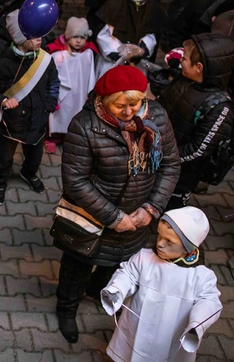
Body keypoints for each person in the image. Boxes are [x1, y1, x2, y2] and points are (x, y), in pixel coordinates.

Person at [55, 65, 181, 343]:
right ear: (103, 100)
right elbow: (75, 182)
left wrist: (151, 208)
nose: (128, 112)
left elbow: (170, 165)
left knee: (115, 264)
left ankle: (96, 290)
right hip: (92, 218)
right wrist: (114, 217)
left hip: (138, 217)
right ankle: (66, 308)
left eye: (134, 104)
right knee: (76, 266)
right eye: (119, 105)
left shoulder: (156, 117)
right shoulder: (84, 125)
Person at [100, 207, 222, 361]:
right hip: (138, 326)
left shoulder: (201, 276)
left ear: (188, 248)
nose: (160, 244)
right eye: (159, 236)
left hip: (172, 334)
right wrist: (117, 288)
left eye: (169, 241)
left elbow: (210, 301)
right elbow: (128, 274)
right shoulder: (144, 258)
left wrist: (198, 321)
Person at [0, 11, 60, 204]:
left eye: (40, 33)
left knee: (35, 155)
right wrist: (1, 101)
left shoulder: (45, 60)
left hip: (38, 120)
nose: (39, 39)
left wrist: (49, 105)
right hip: (12, 121)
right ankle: (0, 182)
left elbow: (54, 82)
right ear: (19, 38)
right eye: (33, 36)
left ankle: (28, 173)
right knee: (5, 158)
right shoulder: (6, 63)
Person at [158, 34, 234, 209]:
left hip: (180, 175)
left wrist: (162, 157)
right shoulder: (183, 80)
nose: (180, 60)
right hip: (157, 158)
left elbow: (198, 150)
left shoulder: (220, 108)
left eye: (184, 58)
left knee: (171, 213)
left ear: (198, 67)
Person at [94, 0, 168, 79]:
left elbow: (152, 33)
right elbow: (103, 34)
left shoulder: (152, 7)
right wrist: (119, 52)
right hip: (113, 63)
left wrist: (143, 48)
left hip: (137, 64)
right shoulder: (115, 4)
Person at [44, 17, 97, 153]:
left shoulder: (88, 53)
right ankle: (52, 138)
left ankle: (69, 137)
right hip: (63, 92)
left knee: (75, 113)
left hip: (79, 92)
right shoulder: (58, 53)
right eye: (75, 37)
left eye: (82, 37)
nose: (78, 41)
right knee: (59, 115)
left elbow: (90, 74)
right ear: (68, 36)